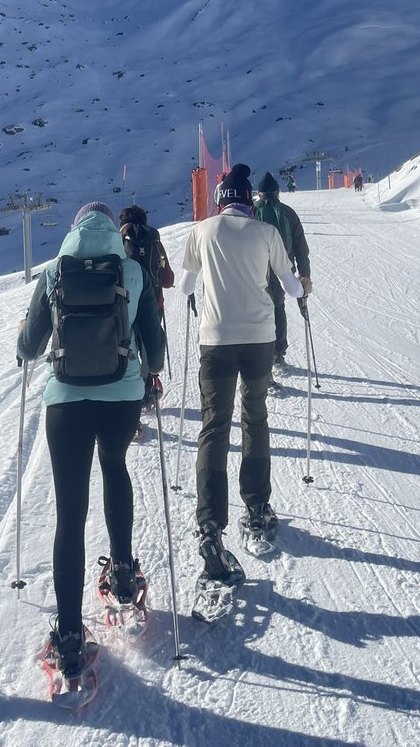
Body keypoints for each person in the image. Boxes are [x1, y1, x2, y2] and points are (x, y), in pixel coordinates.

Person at [16, 202, 164, 683]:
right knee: (116, 469)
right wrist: (147, 367)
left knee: (70, 511)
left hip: (66, 402)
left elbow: (29, 345)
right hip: (121, 397)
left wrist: (25, 339)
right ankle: (122, 574)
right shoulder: (131, 270)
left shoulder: (55, 271)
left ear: (76, 229)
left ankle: (68, 634)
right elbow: (154, 346)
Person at [179, 164, 310, 579]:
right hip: (258, 338)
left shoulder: (202, 231)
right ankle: (256, 508)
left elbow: (184, 287)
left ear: (220, 199)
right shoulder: (266, 233)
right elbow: (290, 287)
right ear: (248, 200)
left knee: (214, 426)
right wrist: (305, 285)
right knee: (254, 416)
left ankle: (210, 523)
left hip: (215, 340)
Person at [252, 172, 312, 367]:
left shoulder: (251, 212)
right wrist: (304, 275)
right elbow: (300, 246)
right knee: (278, 306)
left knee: (259, 309)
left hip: (256, 268)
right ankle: (279, 353)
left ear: (259, 193)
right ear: (278, 192)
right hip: (283, 267)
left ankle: (261, 353)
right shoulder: (287, 212)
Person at [119, 203, 174, 411]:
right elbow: (168, 279)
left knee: (129, 347)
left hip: (125, 307)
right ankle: (150, 384)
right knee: (149, 345)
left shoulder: (120, 243)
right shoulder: (156, 244)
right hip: (154, 304)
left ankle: (133, 397)